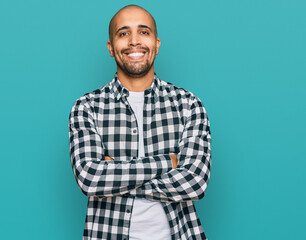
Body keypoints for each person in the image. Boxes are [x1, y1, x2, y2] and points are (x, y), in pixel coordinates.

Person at [69, 4, 211, 240]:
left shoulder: (188, 104)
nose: (134, 41)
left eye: (144, 32)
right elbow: (90, 178)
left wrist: (115, 177)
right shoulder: (87, 107)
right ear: (111, 48)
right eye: (123, 33)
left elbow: (195, 182)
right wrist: (168, 162)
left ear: (156, 44)